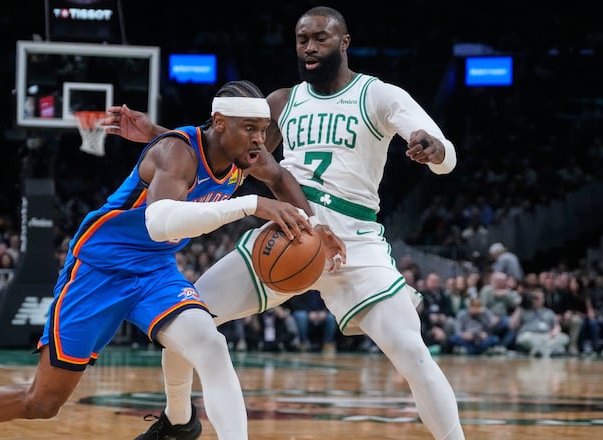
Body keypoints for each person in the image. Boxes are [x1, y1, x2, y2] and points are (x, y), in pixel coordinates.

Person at [103, 6, 464, 440]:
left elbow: (444, 153)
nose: (309, 48)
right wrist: (158, 135)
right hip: (286, 233)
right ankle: (177, 421)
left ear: (344, 42)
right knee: (188, 316)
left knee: (411, 350)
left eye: (320, 39)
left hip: (353, 243)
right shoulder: (280, 101)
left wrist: (434, 150)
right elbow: (225, 152)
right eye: (301, 39)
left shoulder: (379, 95)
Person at [0, 80, 331, 440]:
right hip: (99, 269)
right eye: (250, 130)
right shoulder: (176, 152)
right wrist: (250, 204)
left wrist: (313, 227)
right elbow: (160, 222)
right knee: (44, 401)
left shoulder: (244, 155)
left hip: (155, 272)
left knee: (211, 345)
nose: (260, 142)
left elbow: (278, 178)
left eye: (263, 131)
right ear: (220, 123)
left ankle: (180, 422)